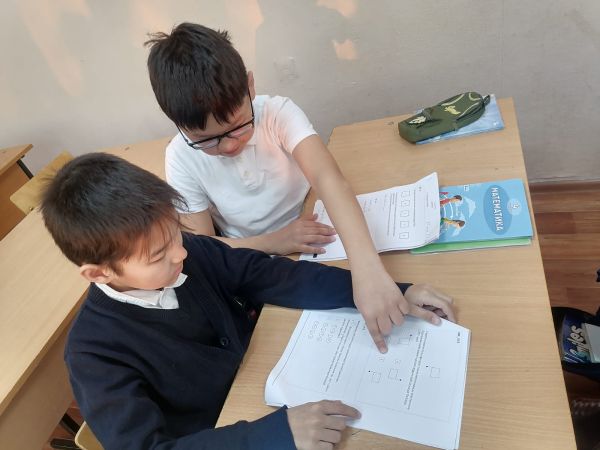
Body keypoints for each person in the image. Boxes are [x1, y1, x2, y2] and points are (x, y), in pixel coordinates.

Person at [41, 153, 455, 450]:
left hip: (271, 376)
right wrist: (274, 435)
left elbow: (273, 275)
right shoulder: (93, 354)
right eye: (157, 255)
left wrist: (385, 290)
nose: (180, 253)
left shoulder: (190, 250)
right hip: (233, 431)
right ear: (99, 273)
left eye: (176, 235)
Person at [145, 23, 431, 353]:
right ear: (180, 126)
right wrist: (274, 241)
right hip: (256, 260)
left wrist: (369, 271)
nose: (228, 146)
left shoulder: (275, 113)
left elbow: (328, 179)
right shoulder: (181, 157)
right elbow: (205, 248)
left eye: (237, 127)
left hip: (319, 228)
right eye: (206, 140)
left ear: (250, 87)